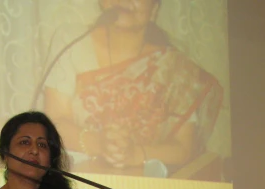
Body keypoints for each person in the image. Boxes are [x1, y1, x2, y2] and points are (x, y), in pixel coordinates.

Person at [43, 0, 223, 173]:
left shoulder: (174, 68)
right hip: (79, 183)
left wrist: (135, 154)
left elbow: (183, 148)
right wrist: (99, 144)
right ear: (103, 1)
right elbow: (54, 123)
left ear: (154, 10)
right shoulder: (71, 41)